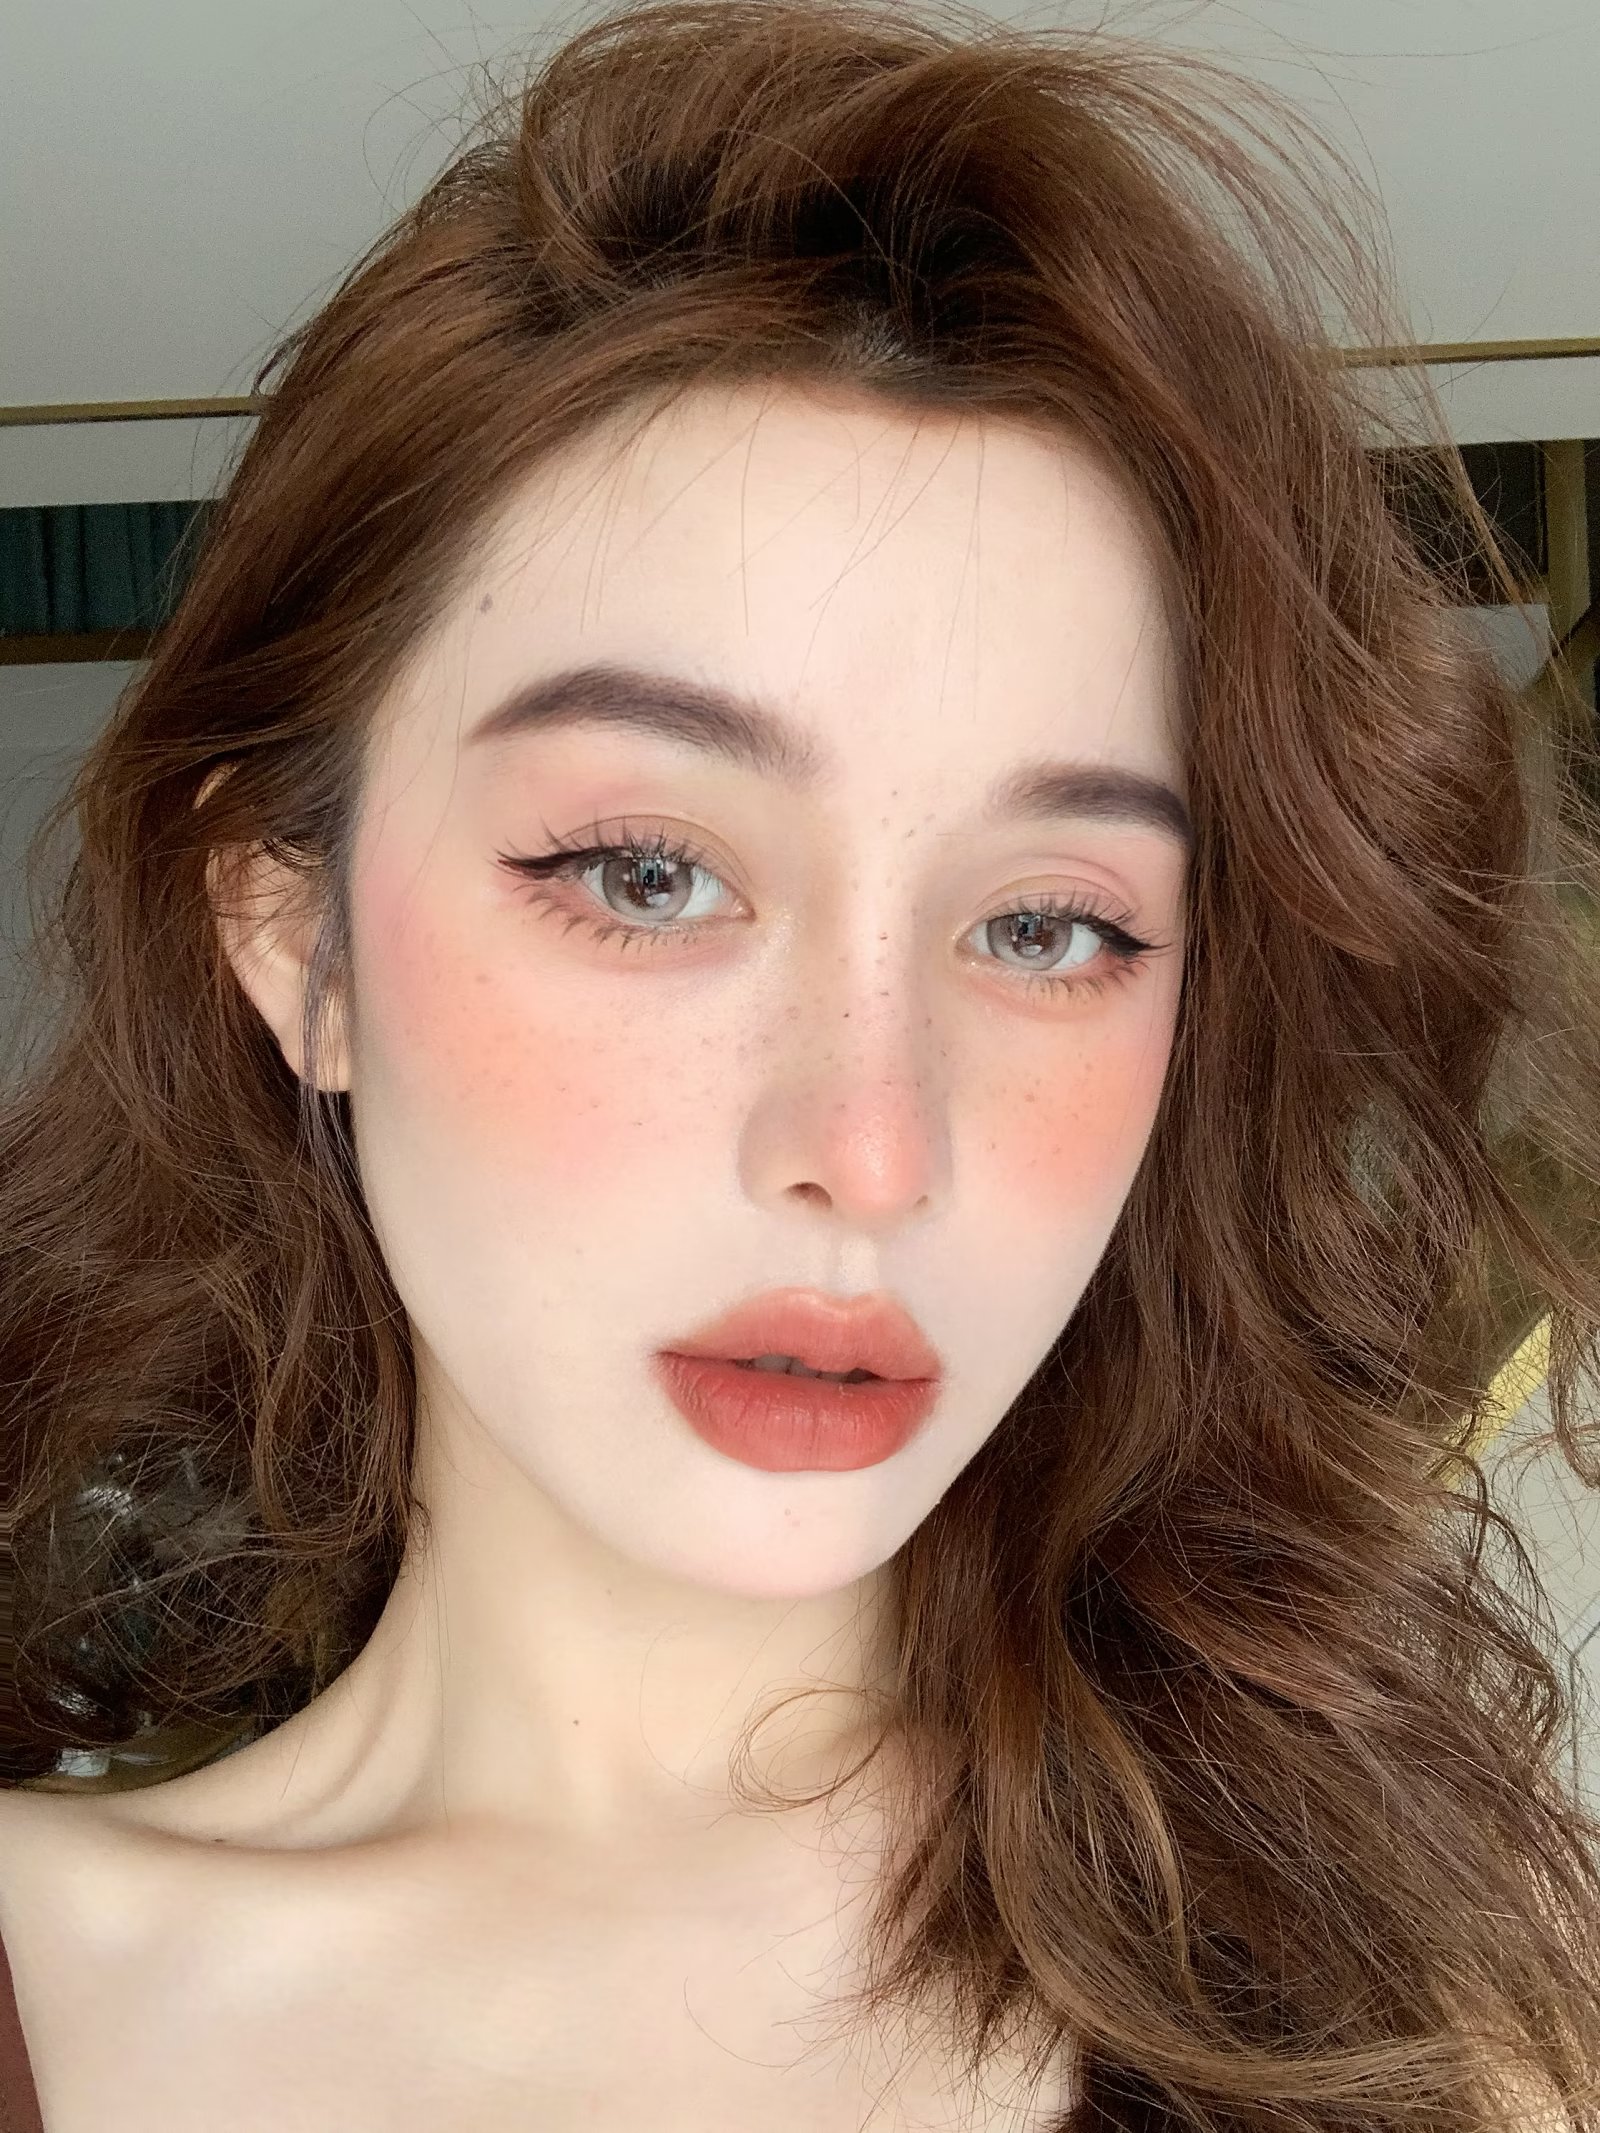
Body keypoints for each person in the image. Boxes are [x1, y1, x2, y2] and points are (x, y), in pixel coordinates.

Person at [2, 1, 1598, 2126]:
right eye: (648, 873)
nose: (869, 1143)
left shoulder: (1461, 2030)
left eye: (1048, 925)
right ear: (295, 932)